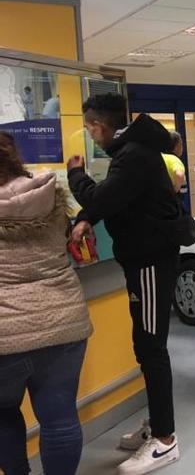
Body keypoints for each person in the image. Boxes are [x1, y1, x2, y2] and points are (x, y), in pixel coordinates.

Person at [66, 93, 181, 474]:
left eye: (89, 128)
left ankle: (165, 440)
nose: (90, 134)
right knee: (146, 344)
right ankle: (158, 425)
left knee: (151, 347)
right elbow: (111, 200)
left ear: (99, 126)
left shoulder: (132, 155)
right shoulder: (134, 150)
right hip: (145, 259)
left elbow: (103, 197)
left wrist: (75, 175)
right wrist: (86, 216)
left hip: (150, 261)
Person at [0, 132, 93, 475]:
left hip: (6, 333)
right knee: (60, 417)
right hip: (62, 324)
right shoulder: (48, 197)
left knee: (3, 414)